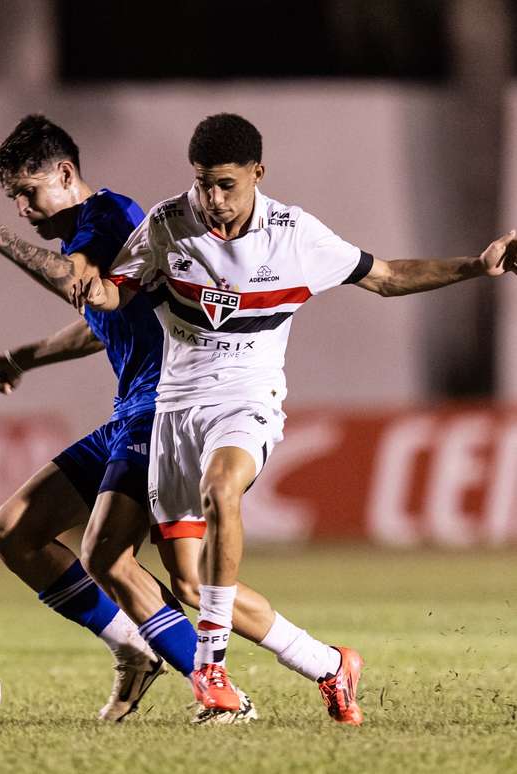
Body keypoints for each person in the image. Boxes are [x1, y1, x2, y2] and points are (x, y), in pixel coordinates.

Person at [74, 112, 517, 722]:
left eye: (226, 185)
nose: (212, 199)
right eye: (203, 183)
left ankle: (211, 667)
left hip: (247, 401)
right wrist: (96, 290)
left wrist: (477, 264)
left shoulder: (294, 235)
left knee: (221, 488)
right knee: (186, 585)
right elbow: (119, 290)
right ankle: (329, 665)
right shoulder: (168, 223)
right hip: (175, 410)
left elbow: (384, 277)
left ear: (258, 173)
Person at [0, 115, 369, 727]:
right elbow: (101, 319)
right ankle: (154, 647)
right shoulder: (84, 233)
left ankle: (221, 692)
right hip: (131, 412)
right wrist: (27, 357)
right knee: (15, 531)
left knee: (118, 559)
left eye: (27, 191)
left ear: (66, 174)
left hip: (168, 407)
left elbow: (81, 283)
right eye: (12, 198)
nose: (20, 207)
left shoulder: (112, 219)